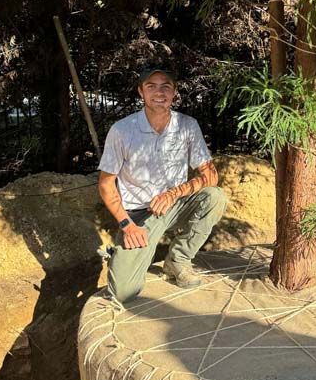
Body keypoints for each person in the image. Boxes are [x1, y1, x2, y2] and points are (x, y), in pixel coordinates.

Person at [97, 66, 227, 303]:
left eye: (166, 86)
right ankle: (125, 253)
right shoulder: (122, 130)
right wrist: (127, 225)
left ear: (174, 92)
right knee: (123, 293)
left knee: (214, 196)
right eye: (151, 86)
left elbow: (211, 175)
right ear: (141, 92)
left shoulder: (187, 125)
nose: (159, 92)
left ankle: (178, 261)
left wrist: (176, 192)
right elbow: (106, 184)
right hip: (139, 215)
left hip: (176, 205)